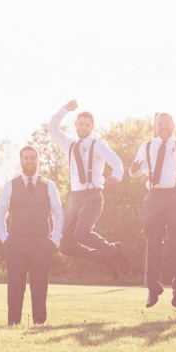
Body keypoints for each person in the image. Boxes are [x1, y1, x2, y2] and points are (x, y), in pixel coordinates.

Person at [129, 113, 176, 308]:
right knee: (153, 243)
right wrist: (133, 169)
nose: (163, 126)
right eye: (160, 123)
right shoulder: (147, 146)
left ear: (173, 125)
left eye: (166, 123)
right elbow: (136, 172)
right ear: (156, 126)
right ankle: (153, 288)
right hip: (154, 197)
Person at [47, 99, 128, 277]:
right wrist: (65, 109)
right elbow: (52, 127)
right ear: (76, 125)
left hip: (92, 196)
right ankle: (104, 258)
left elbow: (117, 163)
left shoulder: (98, 145)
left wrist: (116, 176)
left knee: (82, 234)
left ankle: (114, 249)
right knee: (66, 246)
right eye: (81, 124)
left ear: (92, 127)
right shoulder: (69, 145)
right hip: (74, 198)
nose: (83, 127)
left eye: (87, 125)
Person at [0, 146, 64, 325]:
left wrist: (54, 239)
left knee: (40, 286)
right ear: (21, 161)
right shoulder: (10, 185)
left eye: (33, 157)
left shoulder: (48, 185)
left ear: (38, 160)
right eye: (26, 158)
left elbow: (58, 212)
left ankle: (39, 323)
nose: (30, 160)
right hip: (16, 241)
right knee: (15, 286)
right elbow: (0, 212)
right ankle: (13, 323)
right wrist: (5, 238)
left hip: (42, 242)